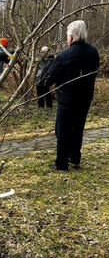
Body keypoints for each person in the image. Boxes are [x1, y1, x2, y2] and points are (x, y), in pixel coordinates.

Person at [43, 20, 100, 171]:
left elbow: (49, 78)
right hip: (85, 97)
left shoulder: (64, 56)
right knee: (78, 128)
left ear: (72, 37)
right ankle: (74, 158)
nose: (67, 39)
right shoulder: (94, 52)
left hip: (67, 98)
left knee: (62, 130)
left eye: (68, 36)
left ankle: (61, 163)